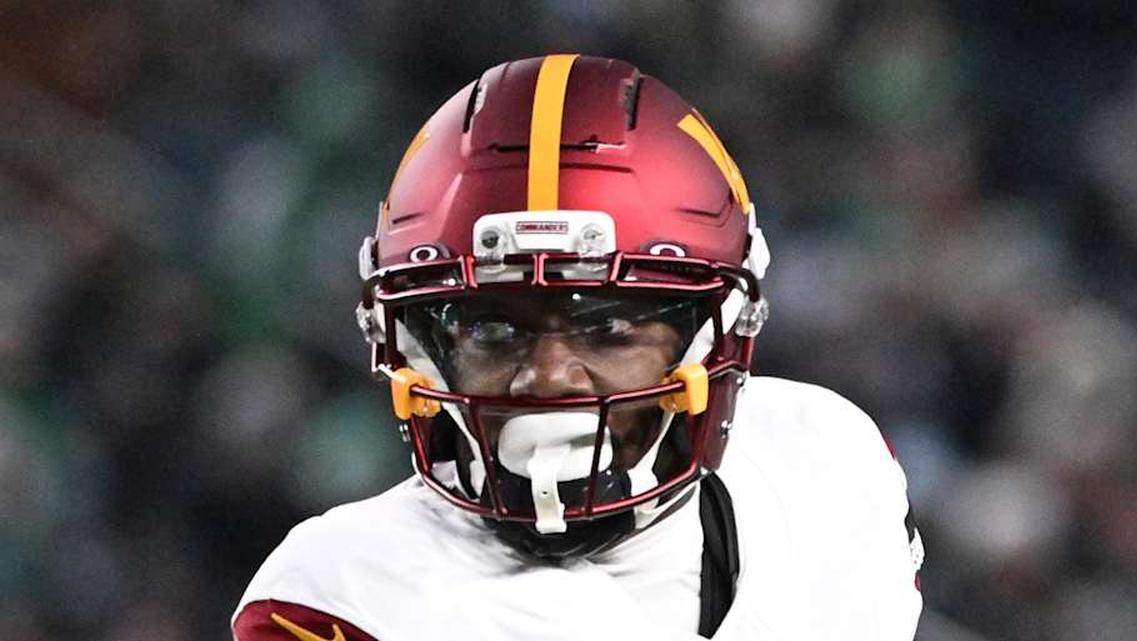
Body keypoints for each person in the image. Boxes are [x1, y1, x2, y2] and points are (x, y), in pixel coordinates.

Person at [232, 54, 923, 641]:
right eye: (492, 329)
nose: (549, 374)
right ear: (417, 345)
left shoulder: (825, 465)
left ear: (717, 334)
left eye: (608, 326)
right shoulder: (343, 597)